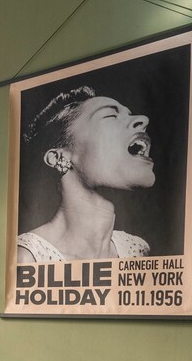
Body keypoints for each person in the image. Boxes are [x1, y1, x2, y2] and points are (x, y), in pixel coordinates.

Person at [16, 86, 153, 263]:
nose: (143, 119)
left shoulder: (138, 250)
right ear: (59, 157)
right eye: (110, 116)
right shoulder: (27, 257)